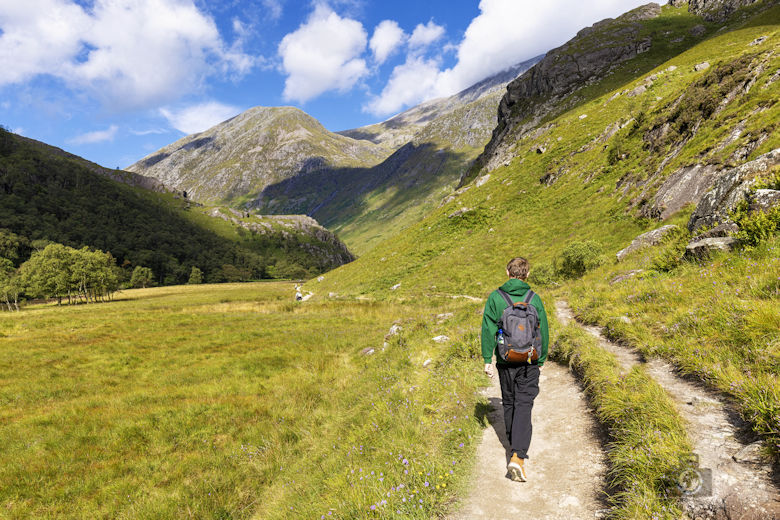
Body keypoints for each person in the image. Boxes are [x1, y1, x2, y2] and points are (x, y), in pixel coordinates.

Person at [480, 257, 549, 482]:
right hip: (529, 361)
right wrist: (541, 359)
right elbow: (543, 331)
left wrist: (487, 359)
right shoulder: (534, 299)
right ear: (527, 275)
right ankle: (518, 456)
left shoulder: (495, 298)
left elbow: (488, 329)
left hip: (505, 360)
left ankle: (512, 447)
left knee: (509, 402)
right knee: (524, 404)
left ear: (507, 272)